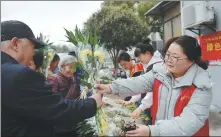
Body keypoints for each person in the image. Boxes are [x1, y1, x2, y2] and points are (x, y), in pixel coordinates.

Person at [1, 20, 103, 137]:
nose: (33, 54)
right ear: (15, 44)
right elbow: (57, 109)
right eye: (32, 47)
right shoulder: (19, 74)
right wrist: (92, 103)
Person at [96, 35, 212, 136]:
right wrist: (111, 87)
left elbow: (188, 123)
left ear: (191, 60)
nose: (169, 60)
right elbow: (138, 82)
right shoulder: (161, 72)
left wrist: (153, 131)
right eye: (167, 54)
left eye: (175, 57)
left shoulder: (201, 87)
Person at [125, 39, 163, 124]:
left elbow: (152, 93)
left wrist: (140, 108)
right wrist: (131, 100)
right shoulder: (148, 66)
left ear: (148, 54)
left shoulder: (156, 67)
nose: (138, 59)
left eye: (139, 56)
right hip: (151, 106)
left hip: (157, 107)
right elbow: (142, 87)